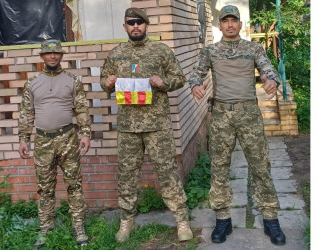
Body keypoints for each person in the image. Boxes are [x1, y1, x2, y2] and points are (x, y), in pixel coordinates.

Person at [189, 5, 286, 246]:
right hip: (221, 116)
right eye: (226, 21)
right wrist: (195, 85)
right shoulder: (210, 51)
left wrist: (270, 79)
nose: (230, 25)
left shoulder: (253, 48)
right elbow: (195, 74)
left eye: (234, 21)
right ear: (220, 25)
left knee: (260, 166)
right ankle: (223, 218)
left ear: (240, 25)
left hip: (249, 115)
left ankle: (271, 218)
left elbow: (267, 68)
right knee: (219, 168)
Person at [100, 7, 193, 243]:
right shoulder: (116, 54)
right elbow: (104, 81)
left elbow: (180, 78)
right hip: (128, 127)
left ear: (146, 25)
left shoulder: (161, 51)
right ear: (125, 27)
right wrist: (108, 82)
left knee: (168, 173)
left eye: (139, 22)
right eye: (131, 23)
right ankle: (126, 221)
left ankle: (182, 220)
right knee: (127, 175)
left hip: (157, 125)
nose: (135, 27)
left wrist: (164, 82)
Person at [18, 39, 91, 248]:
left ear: (61, 55)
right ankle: (45, 229)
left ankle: (79, 228)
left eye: (56, 53)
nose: (53, 56)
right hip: (42, 141)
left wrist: (85, 134)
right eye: (49, 54)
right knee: (45, 188)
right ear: (42, 56)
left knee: (74, 185)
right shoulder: (32, 82)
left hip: (68, 138)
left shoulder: (72, 81)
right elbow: (26, 113)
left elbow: (82, 110)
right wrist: (23, 138)